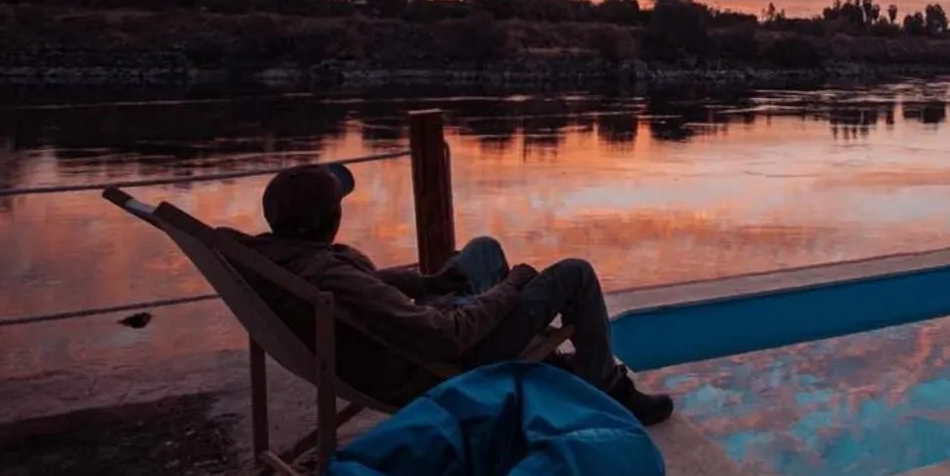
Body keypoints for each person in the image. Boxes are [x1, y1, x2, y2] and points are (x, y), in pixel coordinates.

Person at [227, 162, 672, 425]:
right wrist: (513, 287)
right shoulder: (328, 274)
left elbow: (367, 293)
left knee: (483, 250)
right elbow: (449, 335)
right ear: (331, 217)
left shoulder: (278, 259)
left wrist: (425, 284)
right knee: (574, 274)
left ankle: (552, 365)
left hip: (407, 337)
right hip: (444, 364)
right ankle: (605, 386)